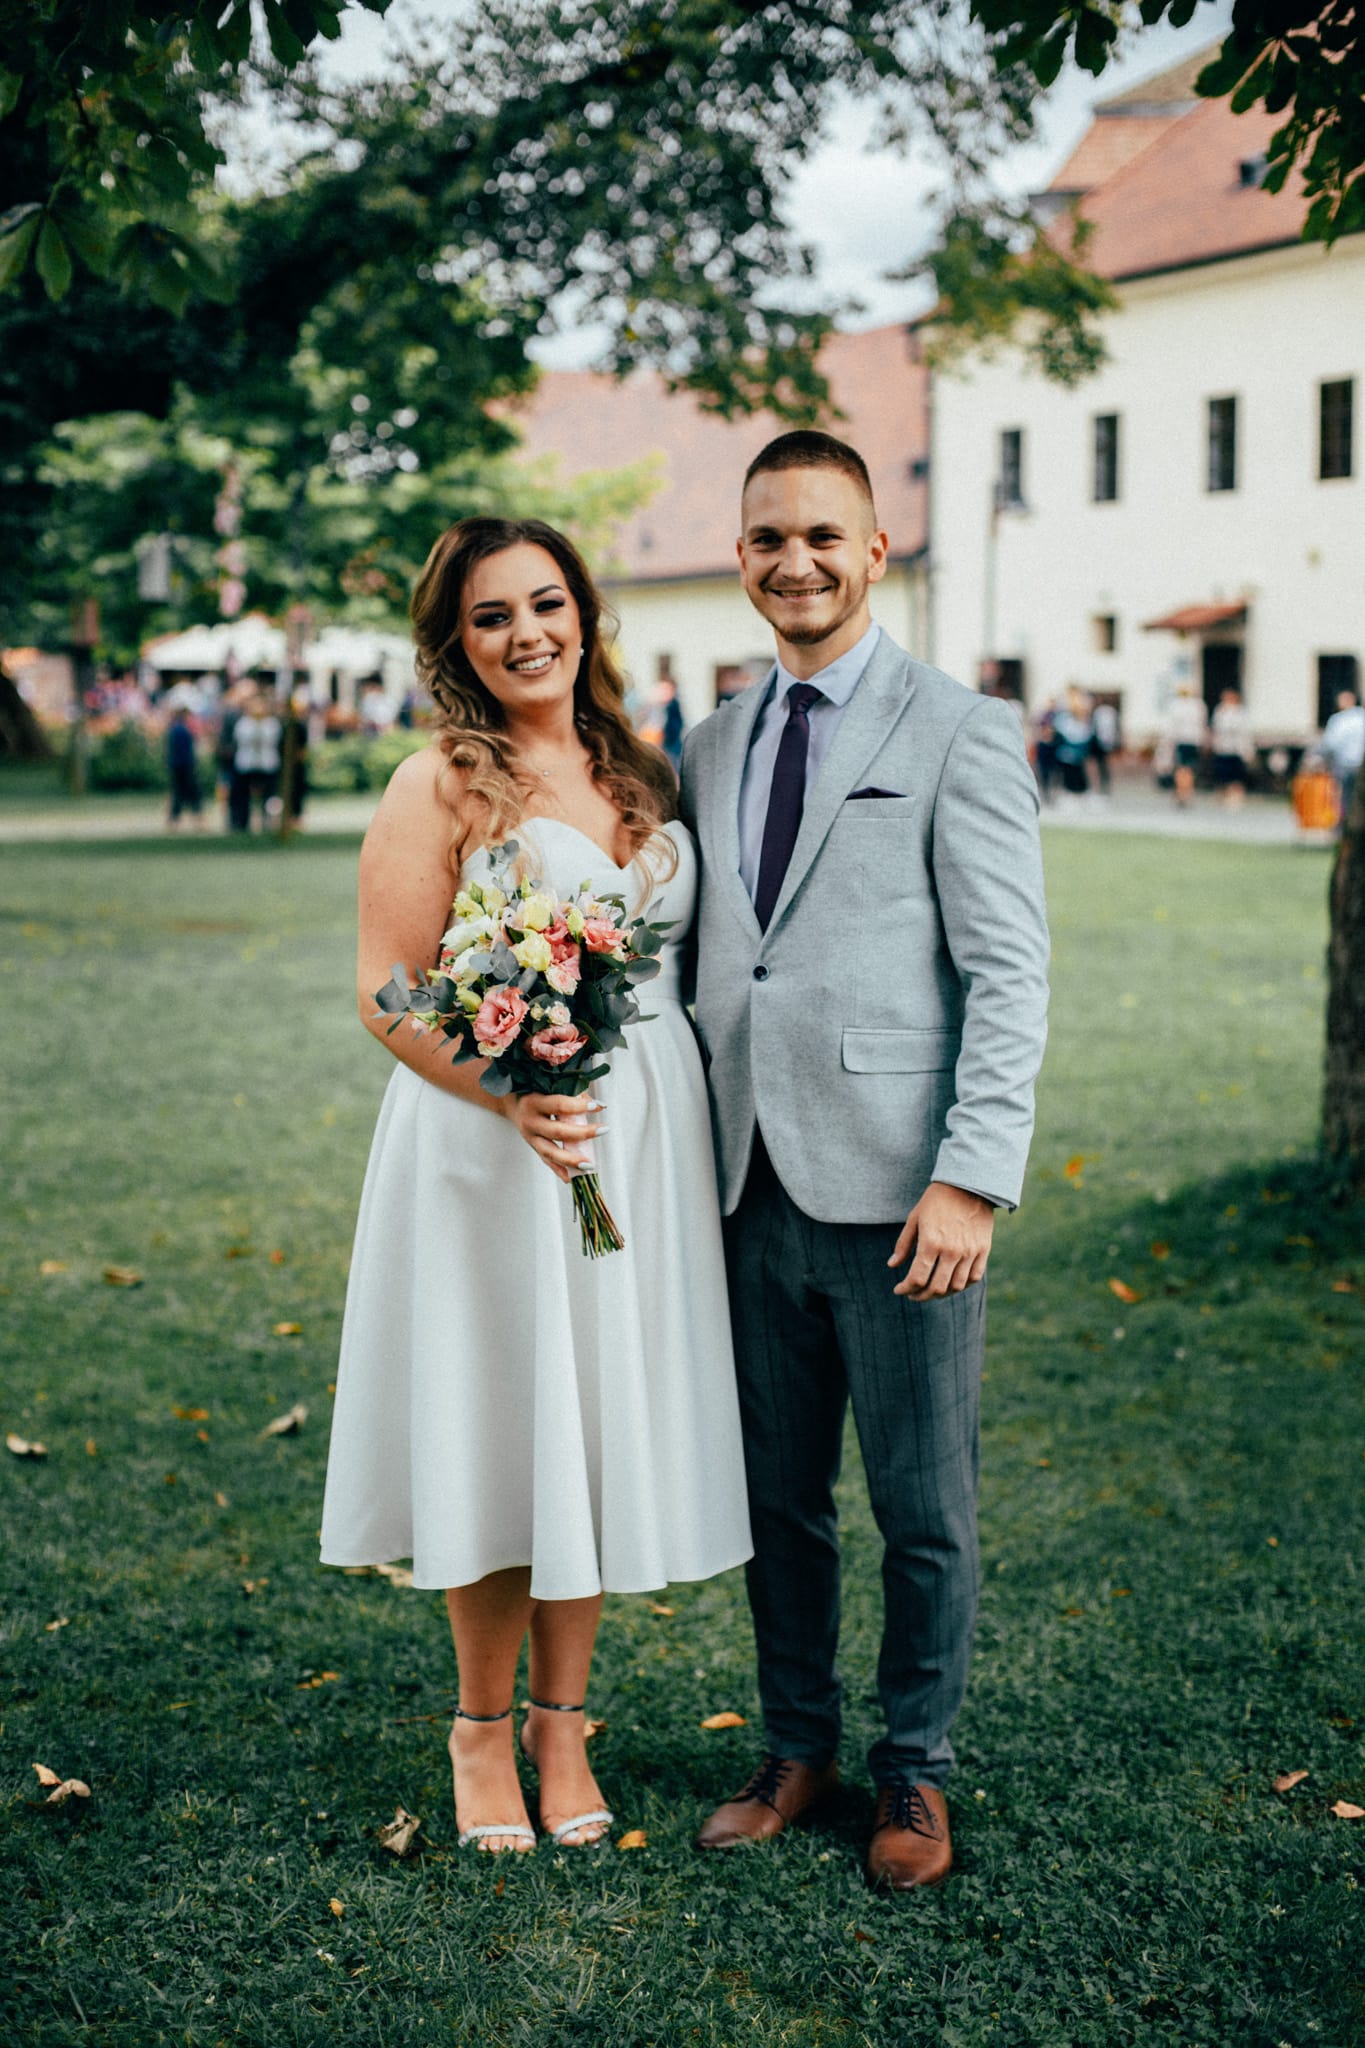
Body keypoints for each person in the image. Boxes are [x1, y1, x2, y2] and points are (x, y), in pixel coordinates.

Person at [320, 517, 751, 1855]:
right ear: (456, 641)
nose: (527, 634)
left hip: (644, 1138)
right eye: (492, 615)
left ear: (585, 612)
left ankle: (565, 1727)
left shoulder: (644, 768)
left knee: (592, 1425)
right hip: (492, 1148)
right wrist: (510, 1089)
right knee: (506, 1427)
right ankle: (479, 1729)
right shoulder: (436, 783)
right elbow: (388, 988)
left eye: (547, 603)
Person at [680, 432, 1049, 1893]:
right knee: (776, 1502)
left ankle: (914, 1767)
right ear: (741, 555)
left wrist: (973, 1174)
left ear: (876, 550)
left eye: (824, 535)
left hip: (906, 1196)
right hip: (744, 1185)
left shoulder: (960, 728)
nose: (797, 562)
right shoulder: (710, 739)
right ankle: (795, 1746)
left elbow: (1009, 970)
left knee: (921, 1509)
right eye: (770, 537)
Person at [229, 689, 282, 832]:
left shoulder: (272, 723)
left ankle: (268, 822)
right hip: (246, 763)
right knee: (242, 795)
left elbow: (271, 740)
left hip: (267, 763)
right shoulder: (243, 723)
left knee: (269, 796)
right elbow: (242, 739)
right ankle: (241, 822)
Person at [1320, 688, 1365, 827]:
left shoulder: (1338, 720)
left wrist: (1326, 760)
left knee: (1344, 796)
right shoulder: (1362, 717)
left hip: (1344, 764)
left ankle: (1345, 825)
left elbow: (1330, 744)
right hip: (1360, 765)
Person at [1209, 685, 1254, 807]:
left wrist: (1247, 749)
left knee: (1236, 775)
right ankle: (1223, 796)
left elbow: (1244, 732)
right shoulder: (1220, 711)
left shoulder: (1240, 712)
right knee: (1223, 774)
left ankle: (1235, 797)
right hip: (1222, 748)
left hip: (1236, 749)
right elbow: (1215, 729)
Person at [1165, 686, 1207, 807]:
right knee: (1189, 769)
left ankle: (1181, 792)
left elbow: (1171, 726)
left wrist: (1168, 742)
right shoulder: (1198, 706)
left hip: (1180, 740)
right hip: (1193, 740)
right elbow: (1201, 724)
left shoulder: (1176, 705)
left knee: (1181, 769)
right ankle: (1187, 792)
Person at [164, 702, 204, 829]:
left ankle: (175, 820)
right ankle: (196, 819)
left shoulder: (174, 729)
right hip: (185, 765)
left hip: (177, 765)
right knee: (191, 792)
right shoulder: (182, 730)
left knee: (178, 792)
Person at [1051, 686, 1094, 797]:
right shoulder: (1065, 718)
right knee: (1069, 771)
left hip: (1076, 747)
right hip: (1067, 747)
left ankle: (1080, 790)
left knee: (1077, 770)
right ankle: (1070, 790)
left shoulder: (1080, 721)